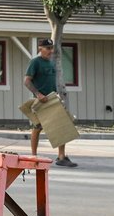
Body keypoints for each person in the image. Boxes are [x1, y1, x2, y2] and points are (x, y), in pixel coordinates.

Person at [24, 38, 77, 167]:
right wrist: (38, 94)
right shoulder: (35, 62)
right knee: (38, 127)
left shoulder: (51, 63)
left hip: (52, 99)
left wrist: (58, 96)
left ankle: (61, 156)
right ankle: (33, 156)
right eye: (48, 48)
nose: (51, 51)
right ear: (40, 49)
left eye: (52, 48)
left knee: (61, 125)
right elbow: (27, 81)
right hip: (40, 101)